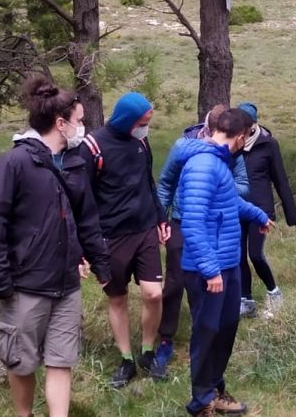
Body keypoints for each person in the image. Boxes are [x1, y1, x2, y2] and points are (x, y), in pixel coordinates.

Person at [0, 76, 112, 417]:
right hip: (24, 286)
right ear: (60, 123)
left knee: (61, 360)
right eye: (79, 121)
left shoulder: (76, 161)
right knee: (21, 363)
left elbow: (87, 218)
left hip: (66, 284)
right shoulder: (16, 163)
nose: (83, 128)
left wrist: (102, 265)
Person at [171, 109, 272, 417]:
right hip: (208, 268)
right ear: (240, 136)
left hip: (227, 263)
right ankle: (200, 402)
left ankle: (215, 389)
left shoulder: (219, 162)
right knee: (207, 331)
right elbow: (192, 223)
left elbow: (229, 201)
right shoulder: (203, 165)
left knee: (226, 327)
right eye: (248, 136)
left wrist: (258, 214)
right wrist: (210, 268)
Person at [82, 92, 170, 388]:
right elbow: (83, 198)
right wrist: (88, 244)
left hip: (145, 228)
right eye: (142, 122)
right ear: (126, 120)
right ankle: (127, 360)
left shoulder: (141, 141)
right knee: (117, 298)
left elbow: (149, 180)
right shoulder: (92, 147)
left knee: (153, 293)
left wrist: (160, 217)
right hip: (112, 235)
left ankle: (147, 351)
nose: (146, 127)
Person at [154, 105, 249, 372]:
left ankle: (203, 339)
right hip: (181, 222)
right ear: (205, 127)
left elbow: (243, 185)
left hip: (214, 226)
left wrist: (220, 182)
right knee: (174, 282)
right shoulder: (184, 147)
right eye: (209, 131)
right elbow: (166, 182)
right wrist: (160, 219)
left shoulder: (232, 151)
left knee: (205, 286)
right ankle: (165, 339)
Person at [237, 102, 296, 319]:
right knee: (238, 256)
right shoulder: (233, 143)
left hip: (260, 209)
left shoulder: (268, 144)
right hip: (236, 208)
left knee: (255, 254)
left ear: (254, 124)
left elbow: (280, 179)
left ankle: (274, 292)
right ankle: (246, 300)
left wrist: (291, 214)